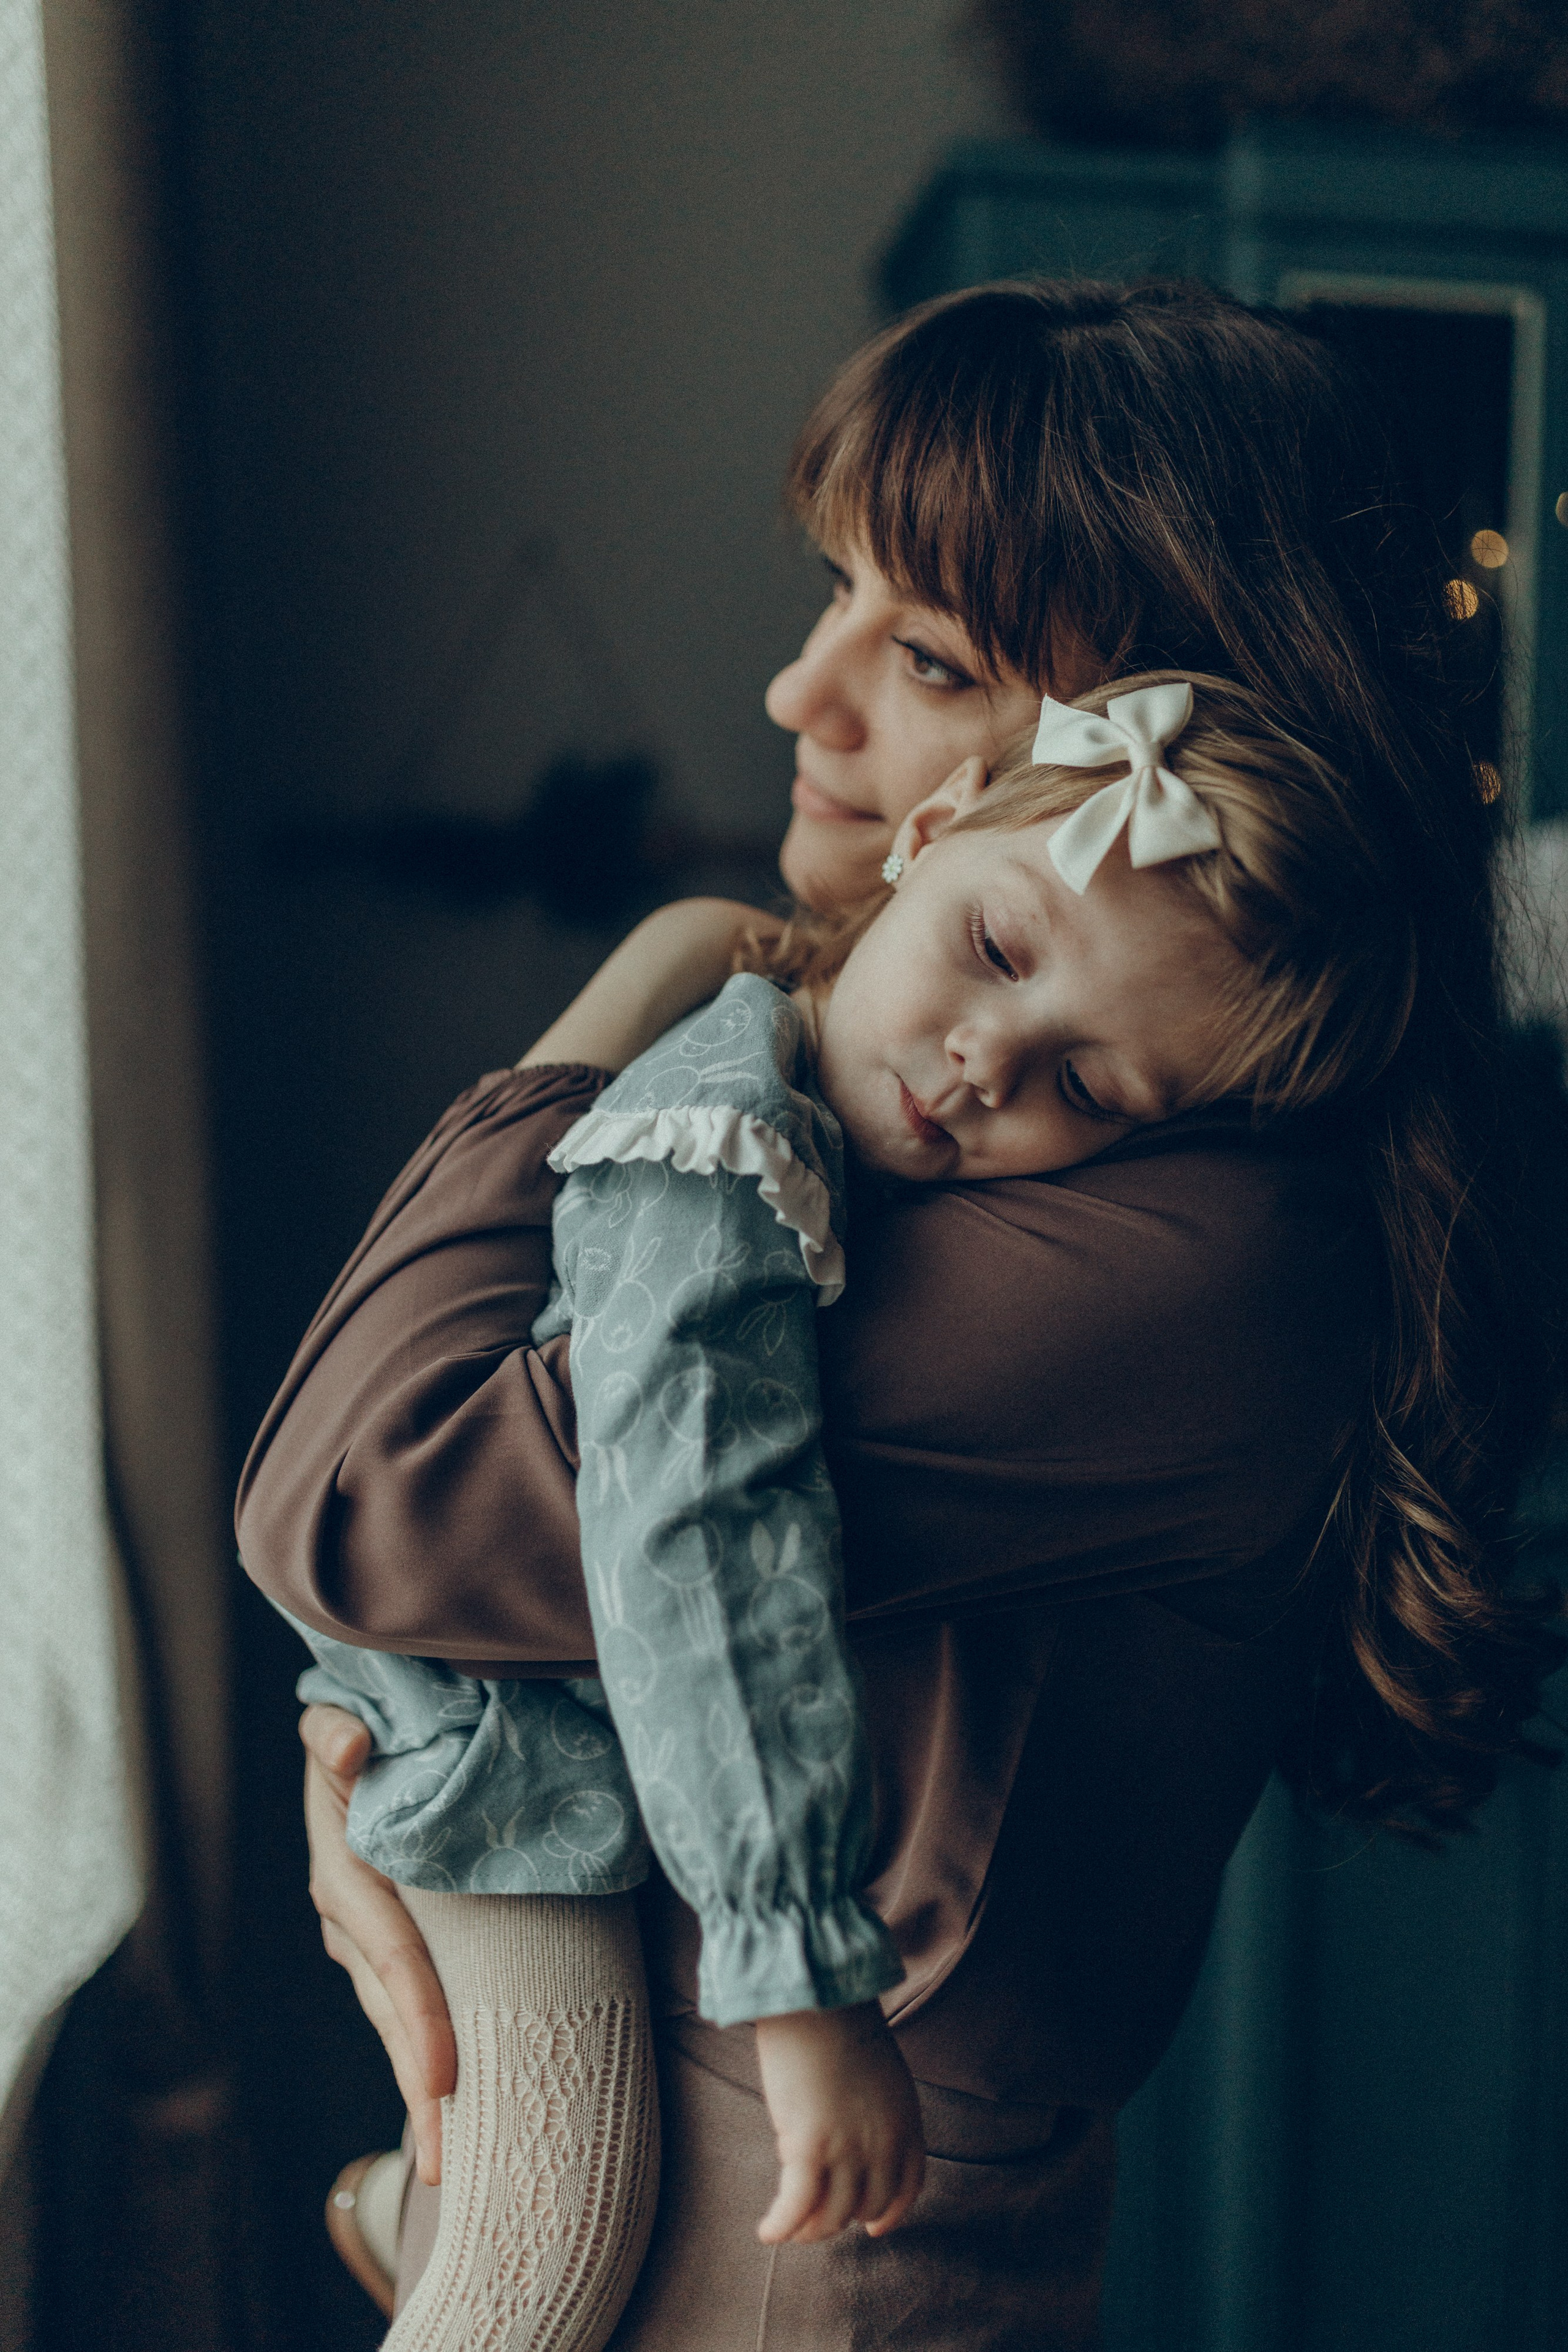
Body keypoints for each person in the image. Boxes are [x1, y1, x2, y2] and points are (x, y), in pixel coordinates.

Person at [241, 280, 1564, 2351]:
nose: (797, 692)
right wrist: (370, 1720)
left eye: (925, 652)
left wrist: (650, 976)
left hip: (783, 2242)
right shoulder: (912, 1099)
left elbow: (362, 1494)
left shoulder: (1176, 1251)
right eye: (837, 593)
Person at [265, 673, 1344, 2351]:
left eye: (1094, 1093)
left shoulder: (937, 1180)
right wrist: (801, 1980)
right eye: (995, 955)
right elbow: (686, 1540)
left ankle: (414, 2211)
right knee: (536, 2257)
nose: (993, 1065)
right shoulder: (726, 1154)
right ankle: (428, 2227)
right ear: (924, 846)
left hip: (537, 1743)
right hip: (516, 1754)